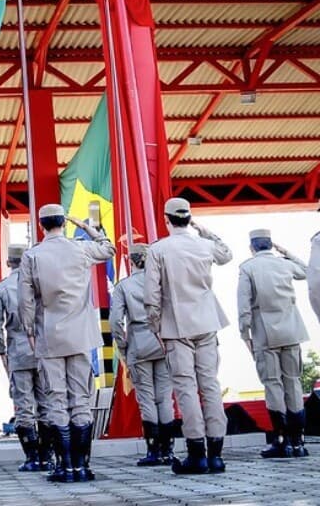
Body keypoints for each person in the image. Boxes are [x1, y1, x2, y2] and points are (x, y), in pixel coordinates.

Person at [19, 204, 116, 483]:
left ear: (41, 226)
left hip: (49, 334)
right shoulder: (80, 248)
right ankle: (82, 466)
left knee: (56, 399)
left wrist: (29, 330)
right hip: (81, 333)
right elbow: (108, 248)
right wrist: (87, 227)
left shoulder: (32, 255)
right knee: (81, 399)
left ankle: (64, 467)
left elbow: (25, 299)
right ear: (63, 222)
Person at [144, 197, 232, 475]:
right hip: (207, 322)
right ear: (188, 218)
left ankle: (197, 454)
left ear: (166, 219)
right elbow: (226, 253)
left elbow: (152, 297)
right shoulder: (204, 244)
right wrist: (202, 229)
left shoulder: (158, 250)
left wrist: (156, 326)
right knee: (210, 386)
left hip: (176, 326)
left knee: (185, 388)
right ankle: (216, 455)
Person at [237, 228, 309, 458]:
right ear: (270, 244)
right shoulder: (284, 264)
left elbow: (244, 305)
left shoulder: (247, 268)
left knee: (273, 384)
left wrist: (244, 334)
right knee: (293, 383)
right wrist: (285, 252)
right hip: (292, 330)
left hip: (265, 333)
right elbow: (307, 271)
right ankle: (299, 442)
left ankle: (281, 441)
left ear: (252, 247)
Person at [109, 243, 175, 467]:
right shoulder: (160, 282)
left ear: (131, 260)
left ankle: (154, 451)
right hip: (163, 340)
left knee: (147, 398)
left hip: (138, 342)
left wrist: (123, 346)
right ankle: (168, 450)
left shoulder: (124, 286)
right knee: (165, 397)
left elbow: (115, 321)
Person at [0, 244, 50, 472]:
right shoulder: (41, 284)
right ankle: (47, 456)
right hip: (44, 350)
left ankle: (32, 457)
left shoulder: (1, 289)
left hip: (18, 351)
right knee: (46, 404)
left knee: (24, 406)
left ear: (8, 263)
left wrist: (2, 351)